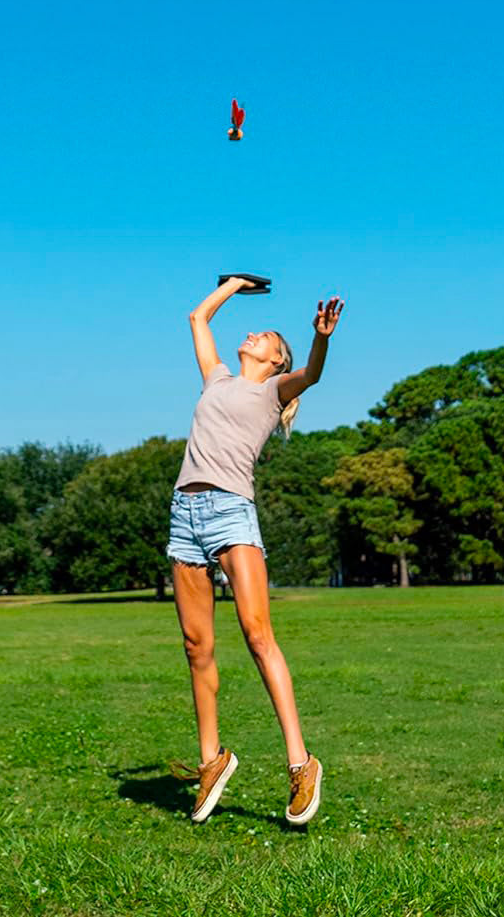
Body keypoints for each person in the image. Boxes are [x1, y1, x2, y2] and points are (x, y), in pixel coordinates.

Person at [166, 277, 345, 826]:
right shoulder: (217, 378)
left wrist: (320, 338)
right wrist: (234, 286)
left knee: (257, 634)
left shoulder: (272, 393)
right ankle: (211, 761)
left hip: (230, 514)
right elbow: (198, 320)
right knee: (197, 647)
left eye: (264, 335)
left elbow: (312, 374)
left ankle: (300, 763)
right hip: (184, 516)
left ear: (275, 359)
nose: (253, 334)